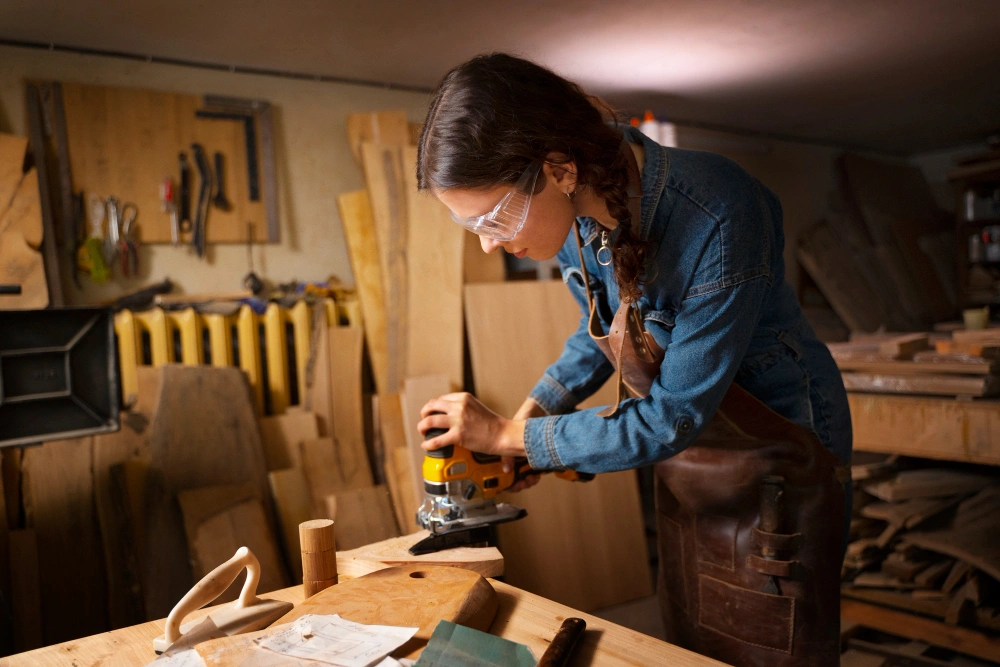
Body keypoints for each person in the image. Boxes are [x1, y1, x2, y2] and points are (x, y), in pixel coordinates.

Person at [415, 53, 851, 667]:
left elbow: (672, 416)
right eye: (471, 226)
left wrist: (520, 436)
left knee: (772, 642)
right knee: (695, 636)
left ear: (560, 169)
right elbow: (595, 333)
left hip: (777, 450)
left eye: (497, 216)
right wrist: (525, 425)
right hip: (688, 455)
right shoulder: (578, 217)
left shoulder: (720, 212)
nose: (489, 241)